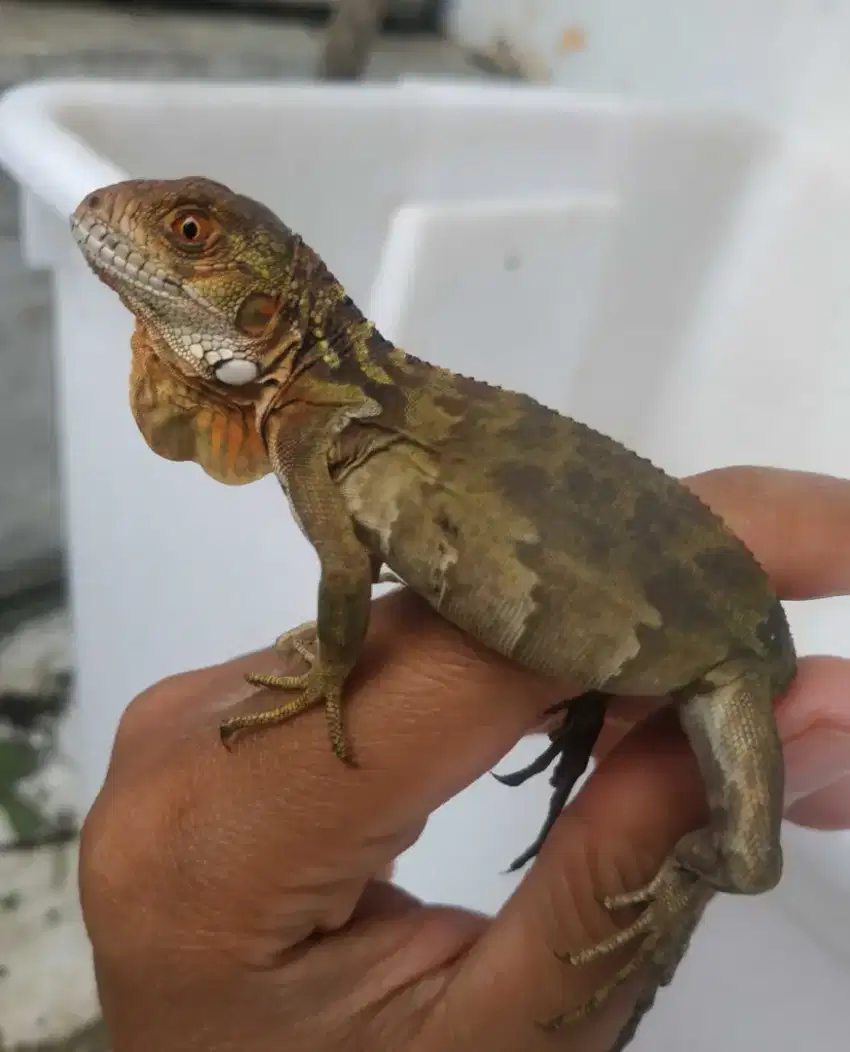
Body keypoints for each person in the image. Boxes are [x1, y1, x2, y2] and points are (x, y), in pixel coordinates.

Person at [79, 466, 850, 1051]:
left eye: (189, 241)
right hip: (662, 631)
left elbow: (353, 568)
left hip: (732, 660)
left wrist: (677, 885)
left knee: (749, 859)